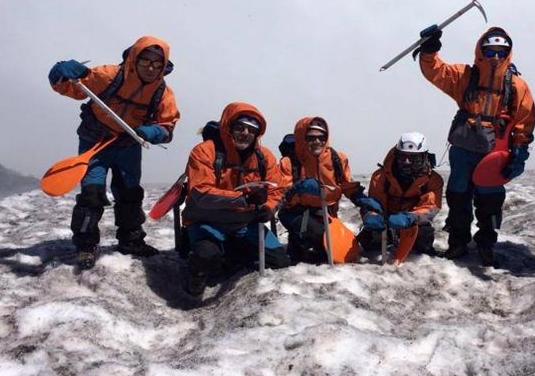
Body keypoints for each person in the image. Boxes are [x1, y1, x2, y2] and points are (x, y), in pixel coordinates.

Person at [48, 36, 180, 270]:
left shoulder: (162, 94)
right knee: (92, 194)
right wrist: (58, 74)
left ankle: (131, 241)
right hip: (94, 142)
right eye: (145, 61)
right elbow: (71, 88)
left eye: (156, 63)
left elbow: (167, 127)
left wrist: (152, 132)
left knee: (129, 193)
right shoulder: (109, 75)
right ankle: (86, 245)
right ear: (134, 59)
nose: (150, 67)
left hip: (127, 146)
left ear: (163, 66)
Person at [417, 25, 535, 265]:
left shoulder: (516, 85)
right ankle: (458, 243)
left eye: (501, 52)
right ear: (481, 51)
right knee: (458, 196)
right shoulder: (465, 76)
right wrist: (429, 50)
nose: (495, 57)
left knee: (490, 201)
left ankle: (486, 245)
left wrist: (520, 151)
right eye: (490, 51)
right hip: (464, 149)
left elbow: (524, 120)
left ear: (508, 53)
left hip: (495, 150)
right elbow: (436, 71)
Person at [181, 102, 289, 297]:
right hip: (208, 221)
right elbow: (201, 193)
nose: (245, 133)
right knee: (205, 255)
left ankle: (233, 255)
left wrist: (268, 208)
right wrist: (243, 199)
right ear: (228, 127)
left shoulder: (264, 156)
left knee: (279, 261)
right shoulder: (204, 151)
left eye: (252, 130)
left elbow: (277, 189)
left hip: (246, 223)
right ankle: (195, 281)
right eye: (240, 127)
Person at [277, 117, 383, 264]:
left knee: (340, 248)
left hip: (327, 214)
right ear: (301, 138)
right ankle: (299, 246)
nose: (317, 141)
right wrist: (298, 189)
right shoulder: (289, 162)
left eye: (322, 137)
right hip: (296, 212)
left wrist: (362, 201)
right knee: (317, 235)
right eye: (311, 138)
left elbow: (347, 185)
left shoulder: (337, 159)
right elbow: (282, 197)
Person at [358, 132, 444, 257]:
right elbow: (375, 202)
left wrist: (411, 217)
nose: (407, 161)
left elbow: (431, 207)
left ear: (423, 156)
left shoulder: (433, 180)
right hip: (386, 221)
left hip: (412, 223)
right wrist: (372, 215)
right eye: (403, 156)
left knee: (423, 238)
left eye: (413, 157)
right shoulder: (380, 176)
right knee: (369, 241)